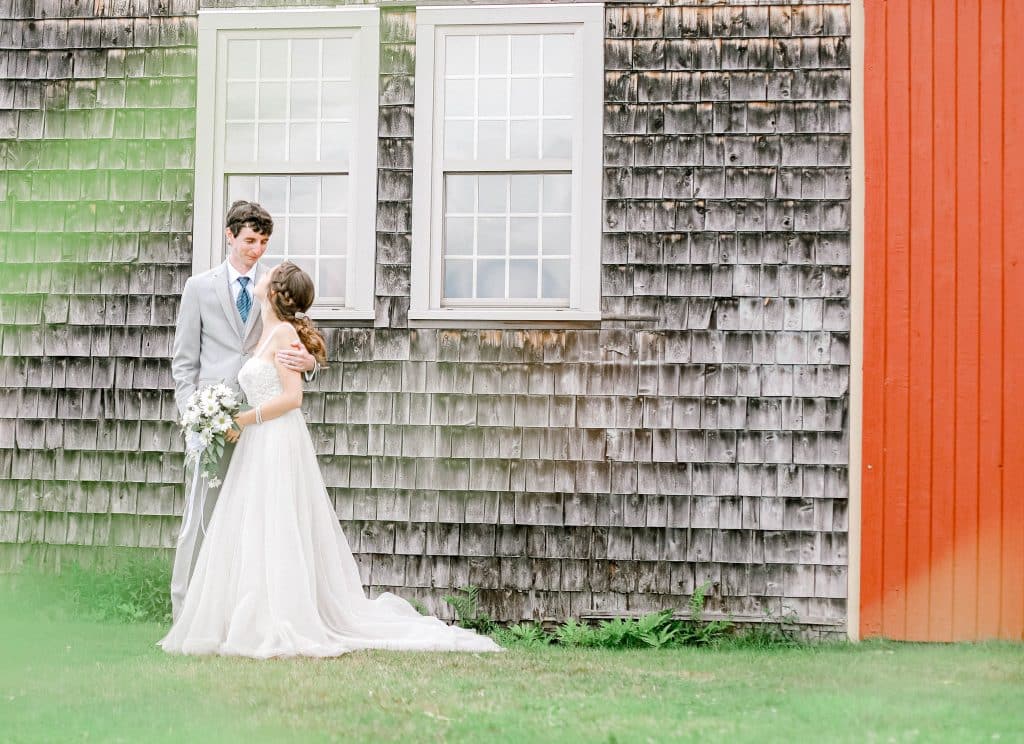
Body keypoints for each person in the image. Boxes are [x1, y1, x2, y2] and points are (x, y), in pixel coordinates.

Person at [158, 261, 502, 656]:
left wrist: (244, 417)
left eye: (269, 276)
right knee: (255, 524)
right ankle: (243, 610)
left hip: (273, 437)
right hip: (257, 438)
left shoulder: (284, 332)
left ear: (273, 292)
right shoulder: (267, 328)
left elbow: (292, 398)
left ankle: (277, 614)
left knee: (276, 523)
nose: (263, 272)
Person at [169, 201, 319, 622]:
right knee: (200, 516)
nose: (256, 250)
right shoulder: (199, 288)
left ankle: (238, 613)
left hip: (259, 424)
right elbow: (184, 362)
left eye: (263, 242)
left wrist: (309, 366)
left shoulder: (273, 289)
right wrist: (193, 418)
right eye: (249, 240)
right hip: (212, 421)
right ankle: (186, 611)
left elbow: (297, 346)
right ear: (230, 236)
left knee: (250, 520)